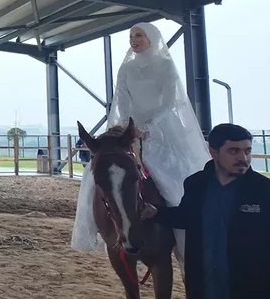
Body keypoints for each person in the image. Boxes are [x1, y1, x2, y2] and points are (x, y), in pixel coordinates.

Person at [71, 22, 210, 272]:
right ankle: (97, 228)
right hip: (130, 131)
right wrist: (125, 125)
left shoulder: (165, 66)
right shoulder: (126, 68)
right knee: (96, 174)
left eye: (138, 35)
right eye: (130, 36)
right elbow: (121, 98)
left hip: (160, 130)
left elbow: (170, 101)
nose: (133, 40)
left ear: (151, 38)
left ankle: (184, 240)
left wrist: (148, 125)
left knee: (175, 181)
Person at [141, 124, 270, 299]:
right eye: (233, 151)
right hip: (204, 288)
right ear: (213, 152)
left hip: (252, 290)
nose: (243, 158)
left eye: (247, 151)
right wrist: (157, 214)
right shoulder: (195, 184)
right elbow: (187, 216)